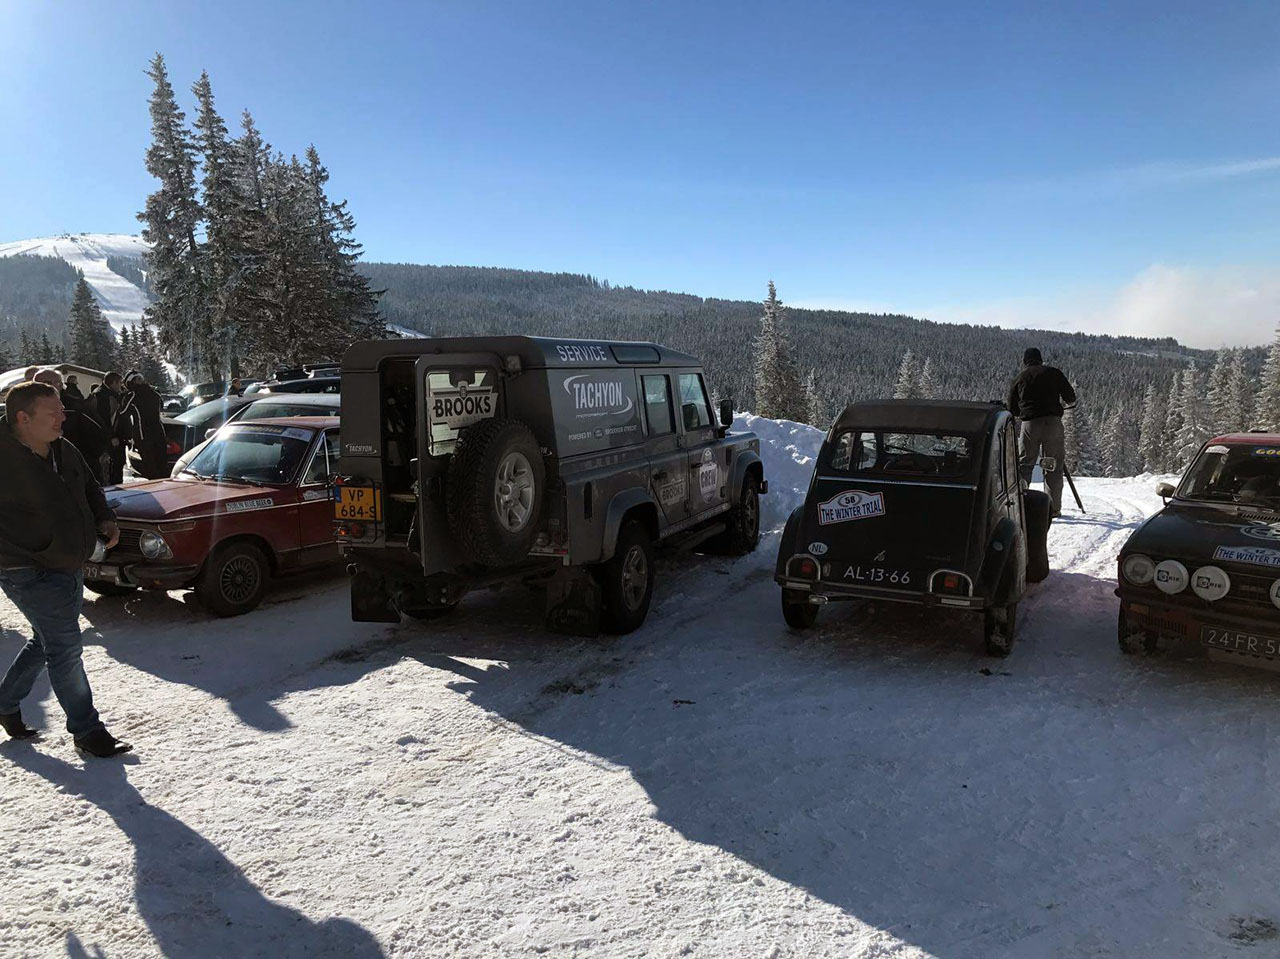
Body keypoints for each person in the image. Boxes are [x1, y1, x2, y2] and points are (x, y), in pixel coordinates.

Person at [0, 381, 131, 756]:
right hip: (25, 569)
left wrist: (105, 518)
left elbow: (90, 485)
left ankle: (5, 703)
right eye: (53, 412)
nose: (64, 417)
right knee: (65, 648)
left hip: (70, 562)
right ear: (23, 418)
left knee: (48, 641)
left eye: (62, 409)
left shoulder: (62, 447)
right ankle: (88, 731)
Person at [1007, 347, 1077, 518]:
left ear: (1025, 361)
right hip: (1053, 423)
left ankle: (1020, 505)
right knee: (1054, 466)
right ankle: (1053, 509)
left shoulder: (1020, 377)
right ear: (1040, 359)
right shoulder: (1054, 373)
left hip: (1030, 424)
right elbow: (1070, 398)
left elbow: (1012, 408)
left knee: (1025, 464)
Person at [89, 372, 133, 485]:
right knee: (110, 469)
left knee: (116, 466)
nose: (121, 386)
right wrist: (111, 437)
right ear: (113, 383)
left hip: (115, 438)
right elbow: (103, 420)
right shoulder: (103, 396)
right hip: (109, 440)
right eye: (119, 383)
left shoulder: (110, 394)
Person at [126, 370, 166, 479]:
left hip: (143, 435)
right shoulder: (154, 393)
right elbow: (161, 406)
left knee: (150, 466)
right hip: (159, 432)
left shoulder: (133, 395)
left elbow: (123, 412)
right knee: (160, 463)